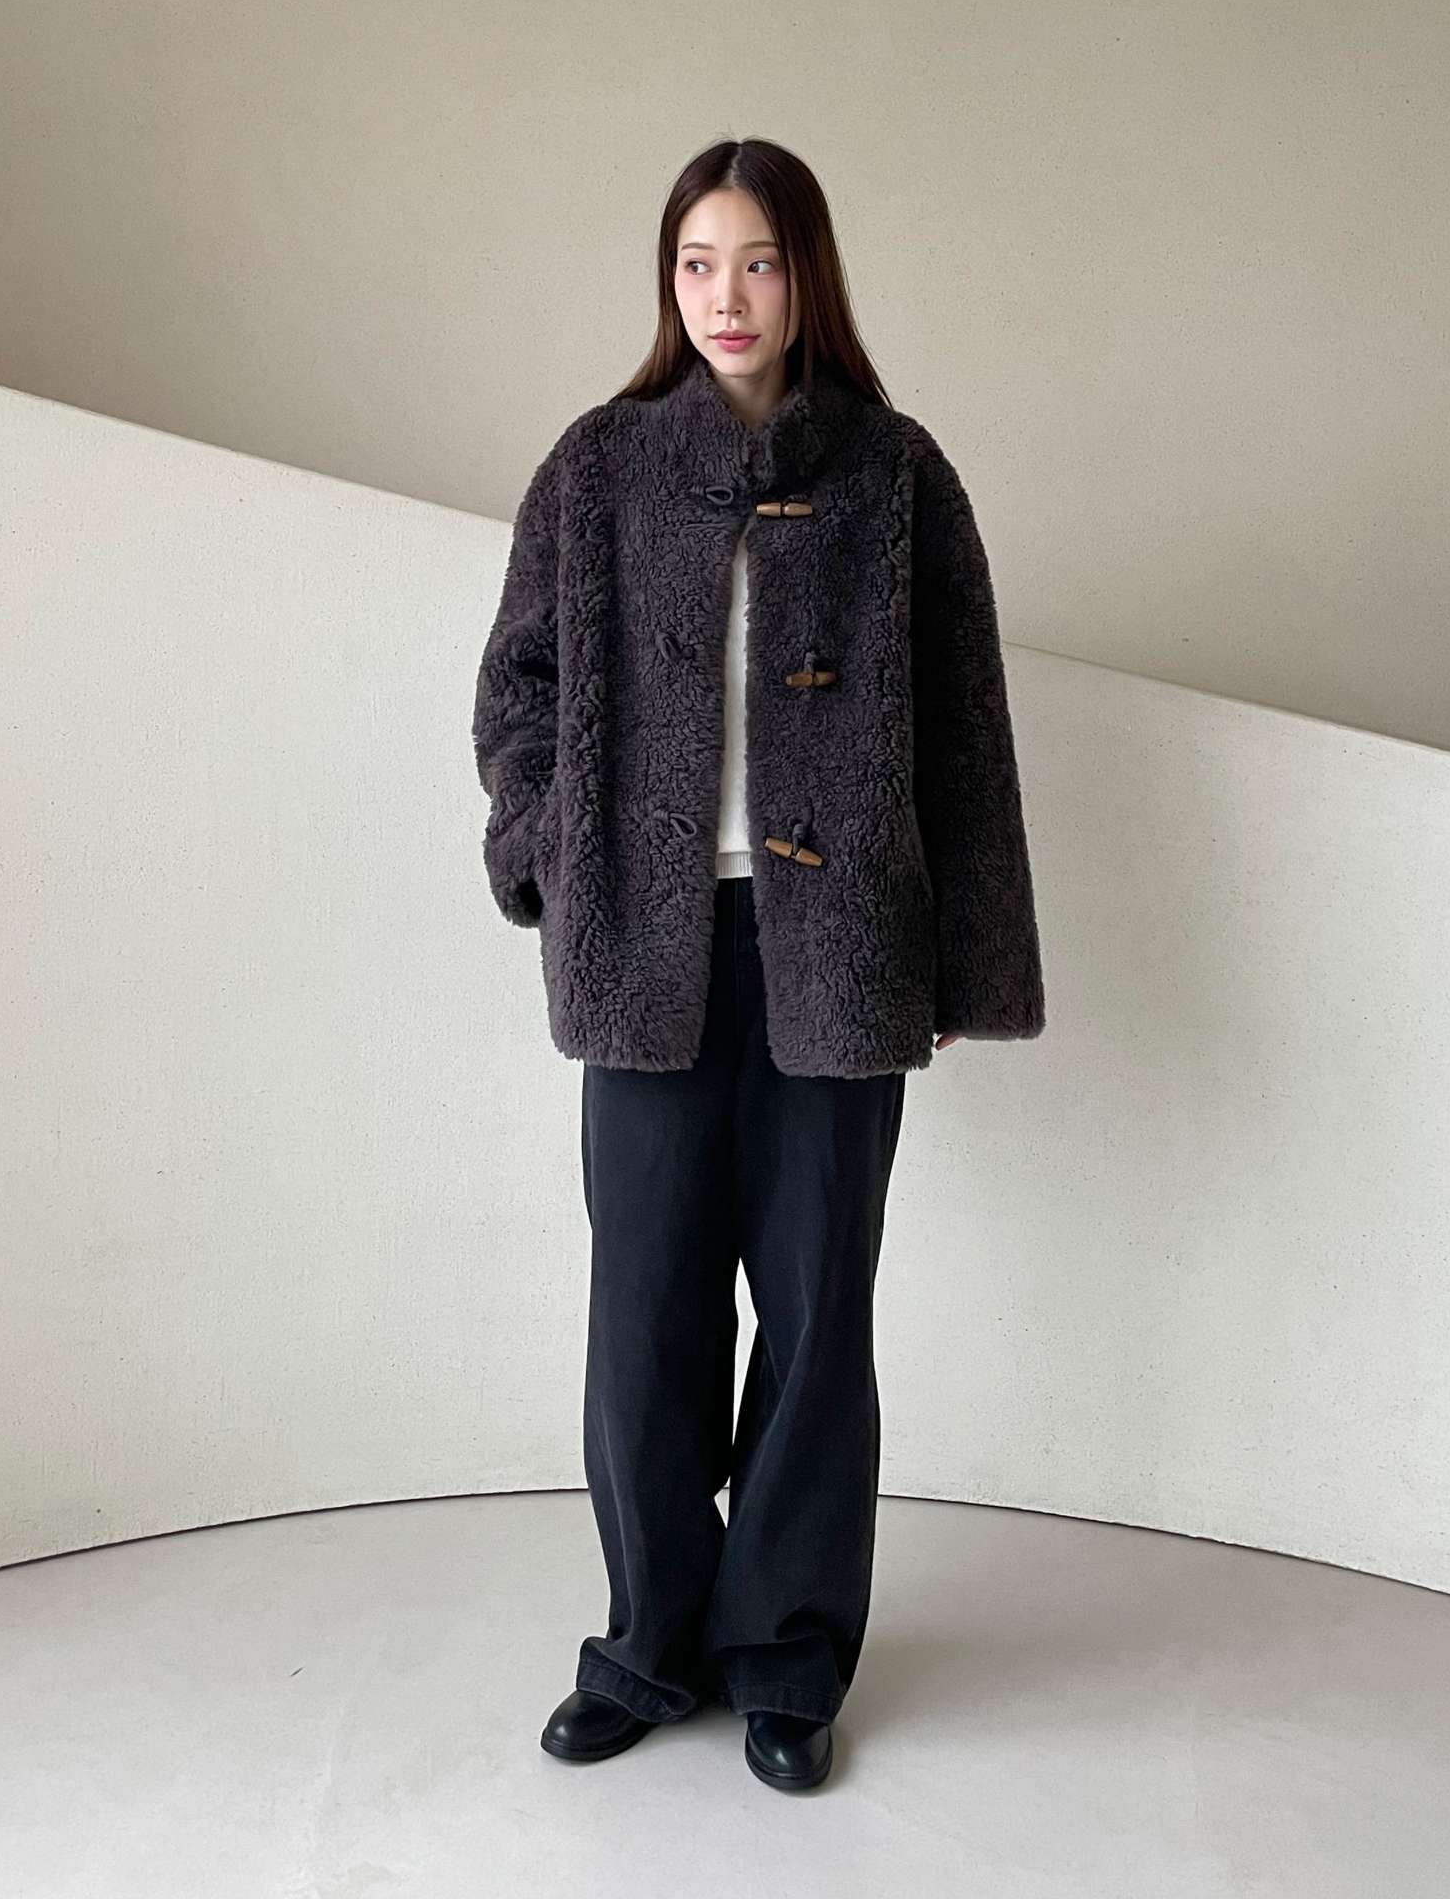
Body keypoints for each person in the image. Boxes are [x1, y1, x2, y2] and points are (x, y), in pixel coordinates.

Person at [472, 137, 1045, 1792]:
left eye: (762, 261)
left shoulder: (895, 473)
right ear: (670, 281)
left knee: (815, 1313)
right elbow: (517, 687)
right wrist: (549, 846)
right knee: (644, 1313)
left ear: (810, 278)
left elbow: (965, 731)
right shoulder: (598, 465)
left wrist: (959, 958)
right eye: (698, 263)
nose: (728, 296)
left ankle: (786, 1655)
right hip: (645, 943)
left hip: (838, 945)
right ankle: (649, 1645)